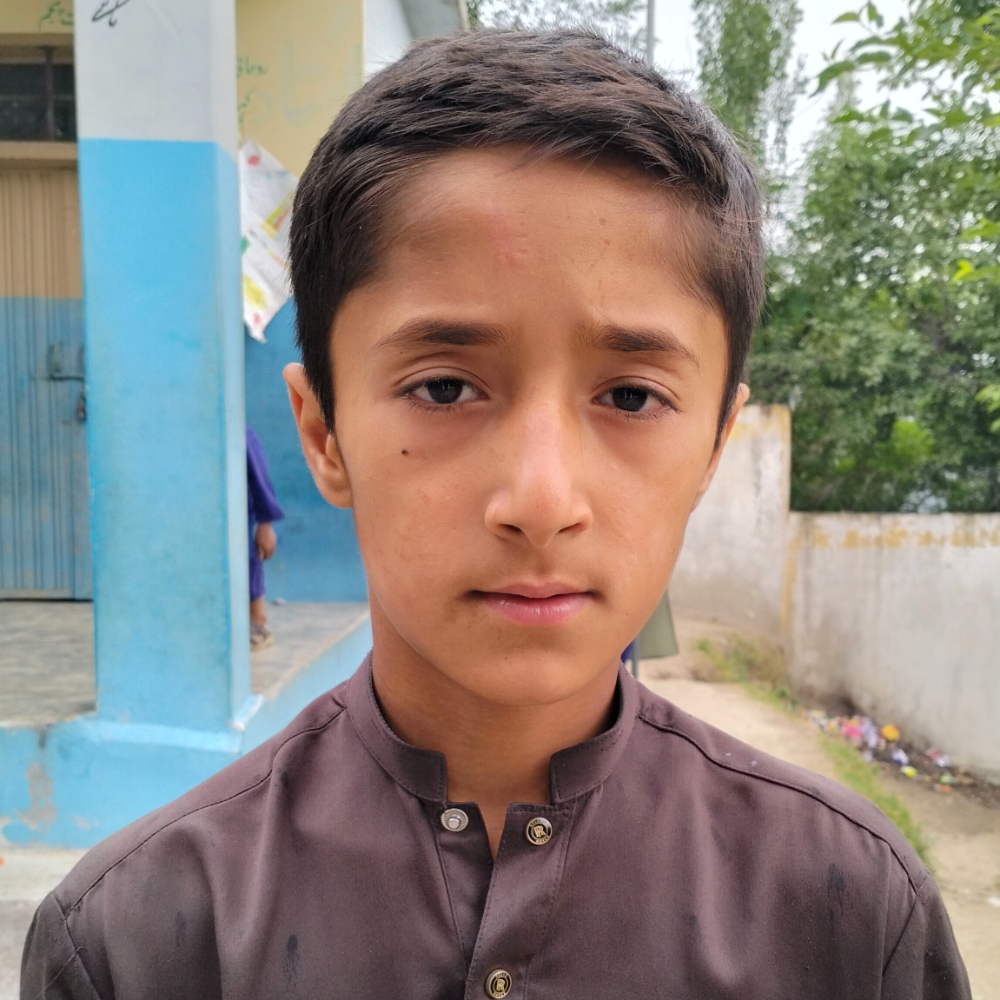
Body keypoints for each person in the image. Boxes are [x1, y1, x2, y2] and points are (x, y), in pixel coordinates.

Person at [21, 30, 969, 999]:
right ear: (323, 433)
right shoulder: (137, 943)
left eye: (631, 397)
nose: (541, 502)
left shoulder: (851, 918)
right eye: (444, 388)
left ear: (714, 448)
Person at [246, 425, 284, 651]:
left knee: (250, 559)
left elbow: (260, 478)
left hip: (242, 515)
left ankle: (258, 621)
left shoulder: (241, 434)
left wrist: (265, 523)